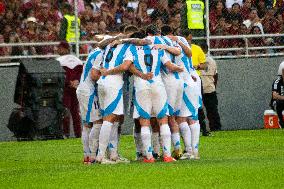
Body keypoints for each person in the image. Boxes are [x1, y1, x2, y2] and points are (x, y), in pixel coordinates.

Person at [125, 31, 183, 163]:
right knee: (163, 120)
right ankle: (167, 155)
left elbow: (128, 66)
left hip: (141, 86)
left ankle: (149, 157)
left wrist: (141, 74)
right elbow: (169, 65)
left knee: (144, 120)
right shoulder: (157, 48)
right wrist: (179, 68)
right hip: (158, 85)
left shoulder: (132, 48)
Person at [76, 46, 103, 164]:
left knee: (87, 124)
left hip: (83, 89)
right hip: (89, 91)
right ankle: (92, 155)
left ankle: (87, 155)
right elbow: (94, 75)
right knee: (97, 122)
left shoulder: (94, 51)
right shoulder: (101, 54)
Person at [56, 41, 83, 138]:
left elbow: (60, 76)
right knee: (75, 112)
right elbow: (81, 74)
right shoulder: (78, 60)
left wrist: (68, 83)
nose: (57, 50)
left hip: (65, 89)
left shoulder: (59, 61)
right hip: (76, 88)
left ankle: (66, 134)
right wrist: (76, 81)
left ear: (65, 49)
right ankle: (78, 134)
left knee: (65, 111)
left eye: (59, 48)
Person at [200, 43, 222, 131]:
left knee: (199, 111)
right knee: (213, 111)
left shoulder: (196, 60)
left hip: (200, 89)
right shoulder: (212, 61)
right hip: (210, 88)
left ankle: (202, 128)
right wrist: (214, 86)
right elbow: (216, 75)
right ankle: (216, 128)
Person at [270, 61, 284, 128]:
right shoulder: (277, 82)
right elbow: (274, 95)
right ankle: (281, 121)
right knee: (278, 102)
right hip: (277, 102)